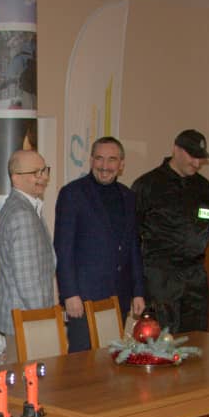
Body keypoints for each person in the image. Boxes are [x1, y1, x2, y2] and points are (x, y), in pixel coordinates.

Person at [54, 136, 145, 352]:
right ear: (91, 160)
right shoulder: (72, 194)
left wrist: (138, 291)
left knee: (113, 359)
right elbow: (63, 248)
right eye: (99, 158)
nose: (105, 166)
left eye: (112, 159)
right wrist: (69, 294)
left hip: (119, 296)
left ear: (121, 164)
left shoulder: (128, 196)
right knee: (83, 363)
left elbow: (133, 246)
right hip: (83, 299)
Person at [132, 129, 209, 335]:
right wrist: (137, 287)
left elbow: (207, 228)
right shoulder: (148, 185)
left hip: (194, 279)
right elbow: (132, 237)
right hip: (160, 279)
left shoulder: (204, 188)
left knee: (196, 341)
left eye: (200, 158)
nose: (196, 163)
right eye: (192, 156)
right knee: (162, 342)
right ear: (176, 150)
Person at [0, 149, 55, 363]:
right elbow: (28, 283)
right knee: (27, 381)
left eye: (44, 170)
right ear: (15, 178)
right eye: (36, 172)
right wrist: (43, 323)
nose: (43, 177)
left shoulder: (24, 207)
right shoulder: (21, 213)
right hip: (26, 323)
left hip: (23, 321)